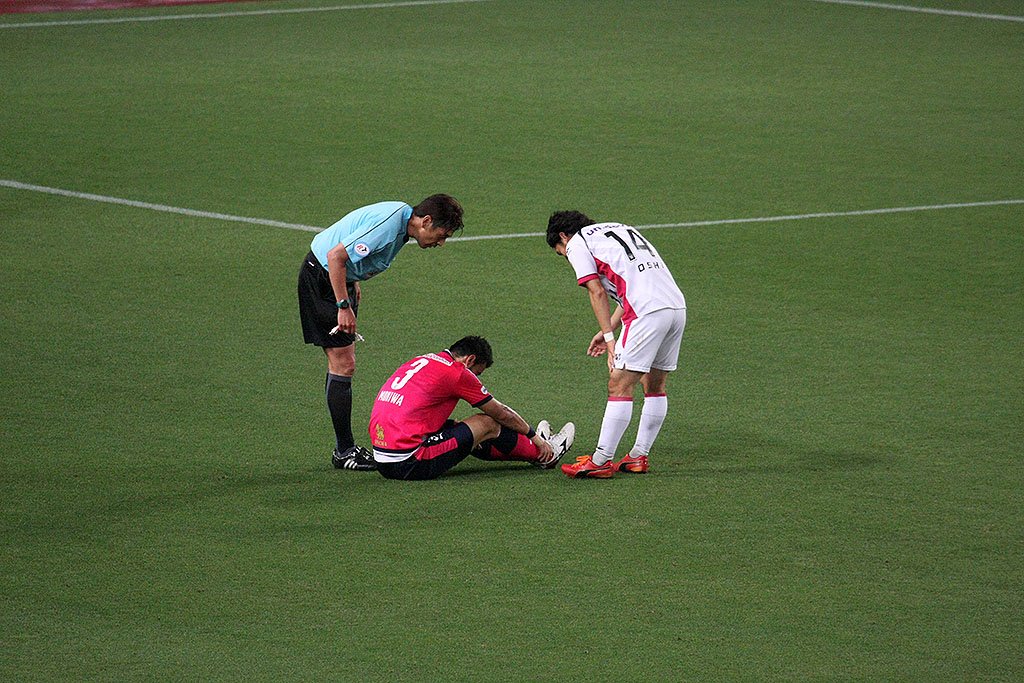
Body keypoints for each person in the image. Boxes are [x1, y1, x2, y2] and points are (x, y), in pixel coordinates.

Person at [298, 194, 464, 471]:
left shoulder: (402, 222)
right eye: (442, 235)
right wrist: (342, 305)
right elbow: (335, 256)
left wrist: (353, 279)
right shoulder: (389, 225)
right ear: (426, 221)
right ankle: (344, 451)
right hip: (324, 280)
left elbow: (350, 252)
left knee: (343, 363)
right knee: (343, 363)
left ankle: (344, 449)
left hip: (337, 279)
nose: (441, 243)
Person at [545, 210, 686, 478]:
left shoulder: (577, 242)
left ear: (563, 236)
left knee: (619, 384)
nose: (565, 256)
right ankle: (638, 456)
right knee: (654, 384)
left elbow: (597, 291)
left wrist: (610, 339)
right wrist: (609, 327)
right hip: (675, 307)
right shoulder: (620, 228)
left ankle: (601, 460)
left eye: (560, 252)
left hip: (645, 313)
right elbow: (632, 283)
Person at [369, 335, 576, 480]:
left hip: (382, 457)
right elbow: (501, 413)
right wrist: (534, 436)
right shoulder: (457, 372)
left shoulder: (422, 360)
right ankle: (546, 453)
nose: (476, 378)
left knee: (464, 428)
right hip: (409, 462)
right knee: (486, 424)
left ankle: (533, 450)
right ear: (470, 360)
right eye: (477, 373)